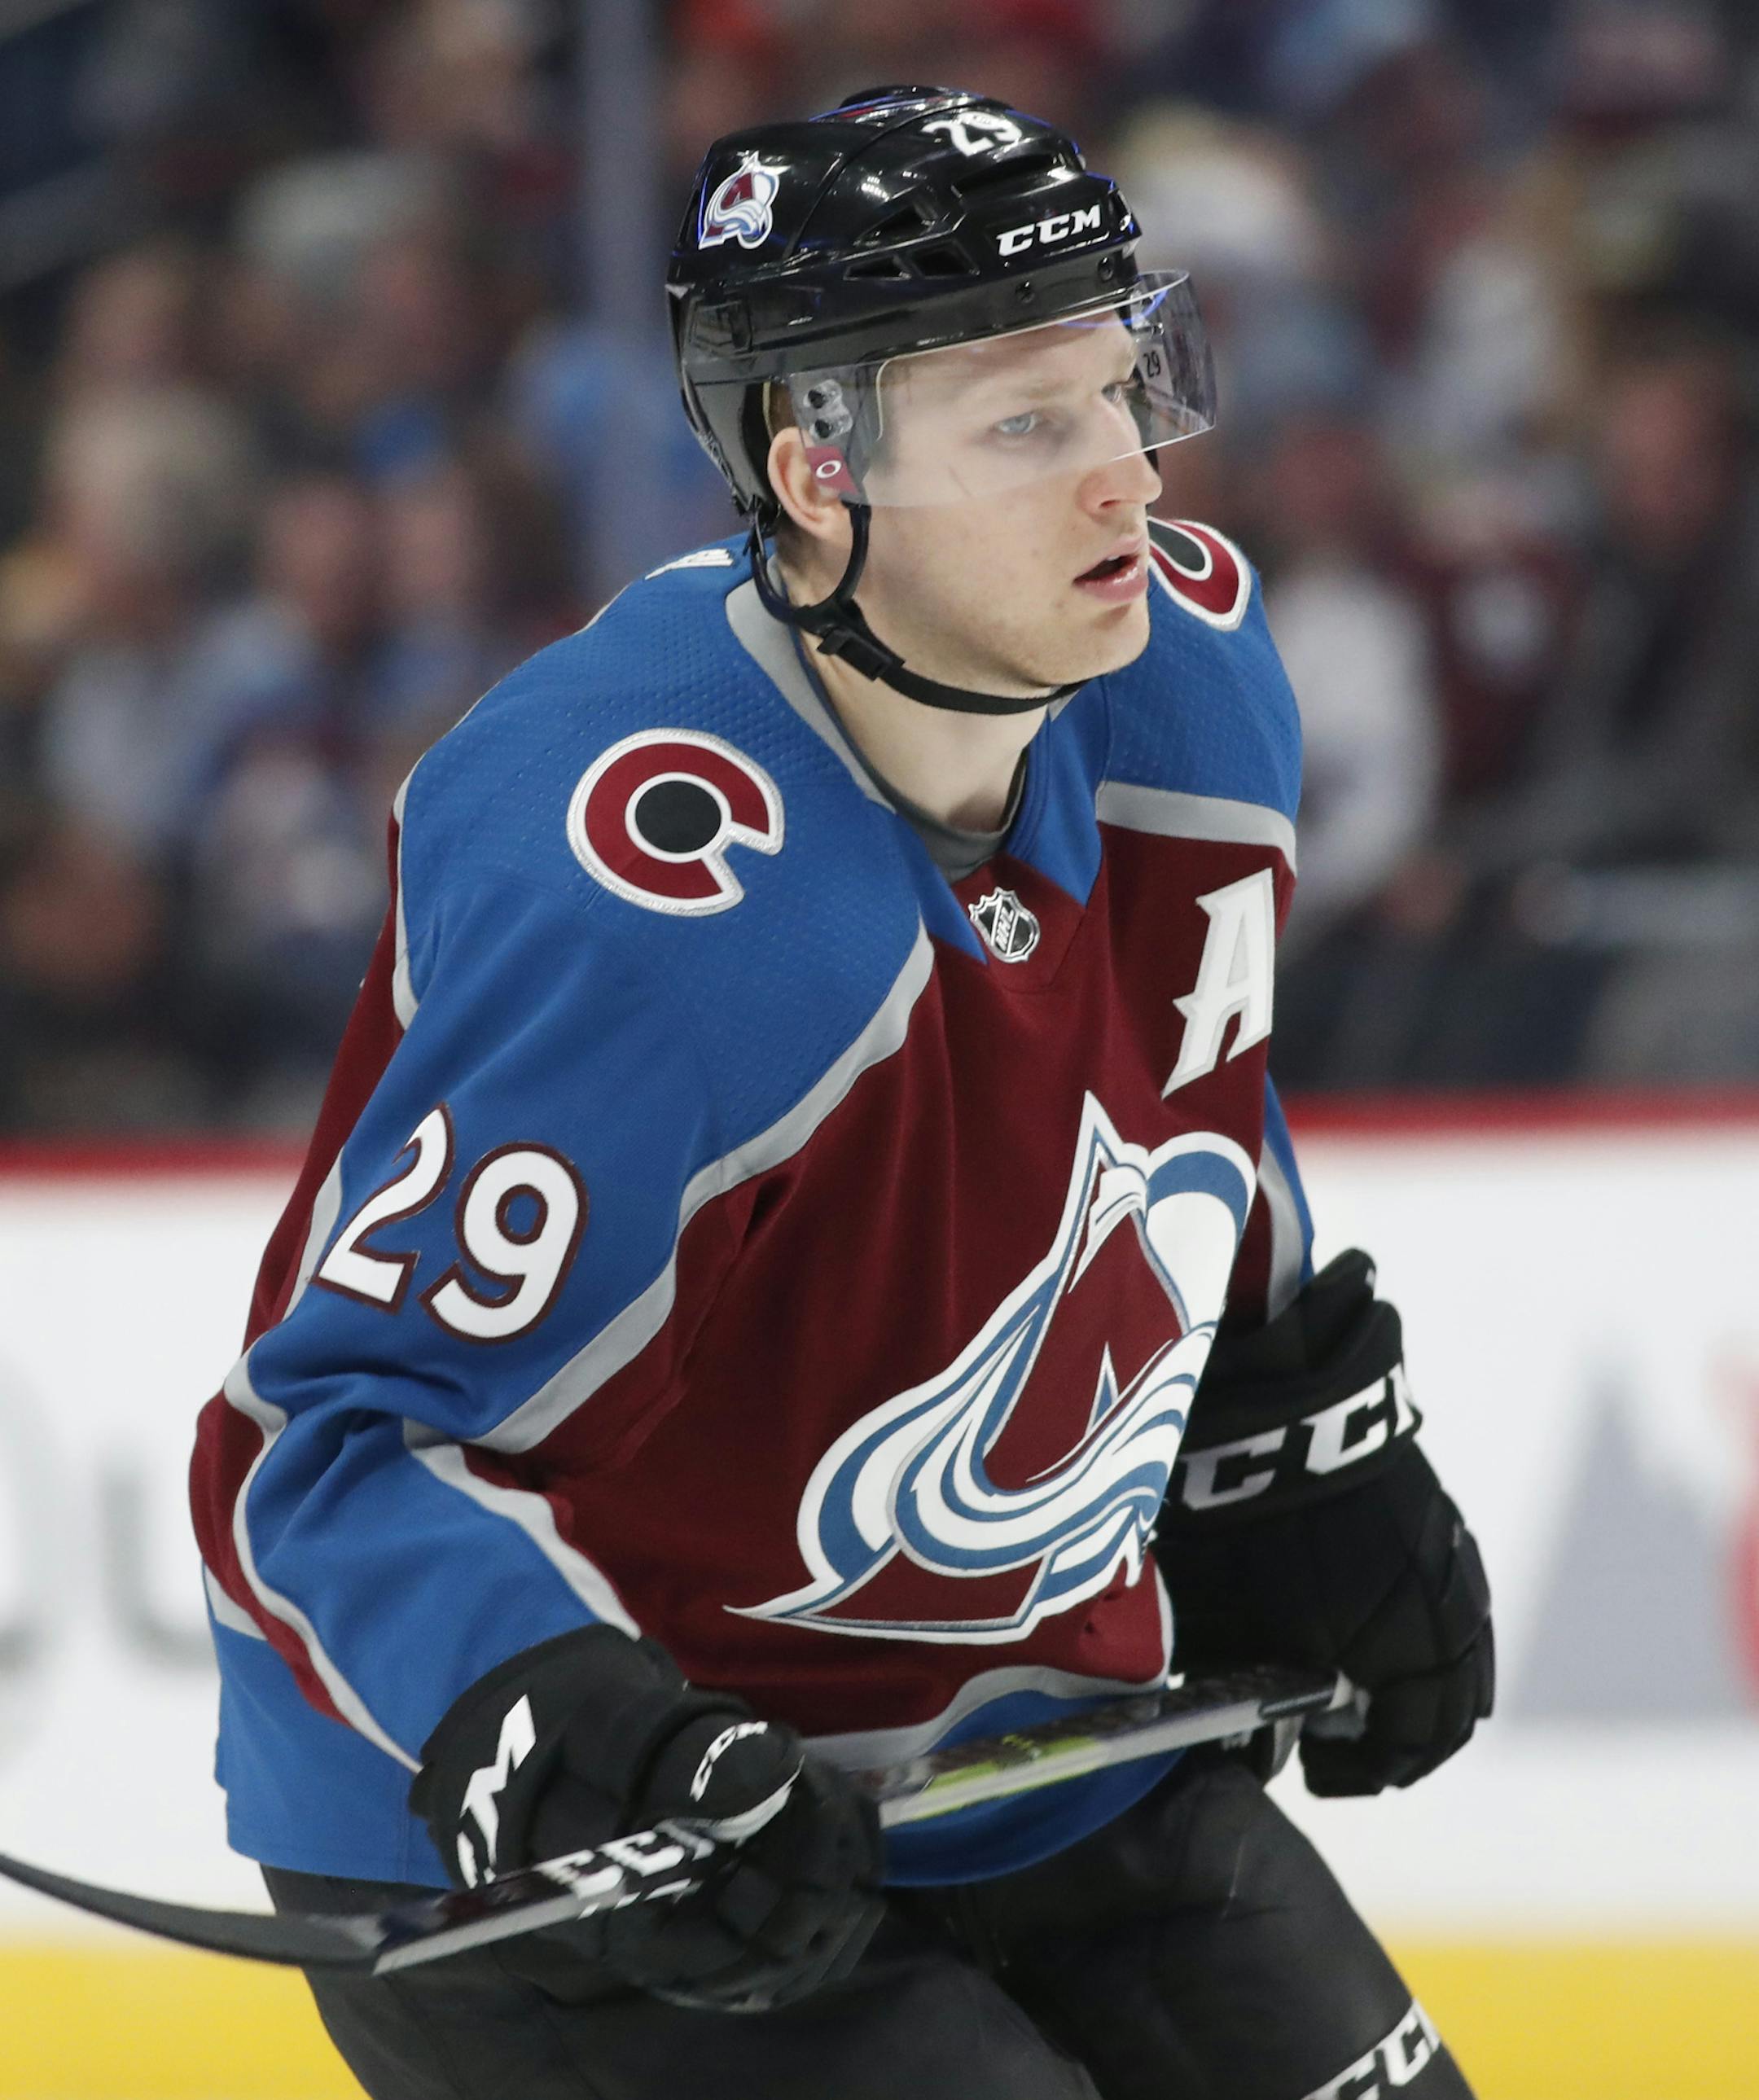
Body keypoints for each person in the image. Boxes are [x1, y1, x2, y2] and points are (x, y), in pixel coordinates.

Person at [188, 88, 1494, 2100]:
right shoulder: (658, 894)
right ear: (817, 474)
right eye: (1027, 426)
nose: (1128, 476)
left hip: (1023, 1745)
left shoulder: (1191, 681)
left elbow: (1180, 1080)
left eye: (1123, 386)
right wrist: (564, 1734)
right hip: (606, 1857)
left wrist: (1275, 1405)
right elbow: (327, 1456)